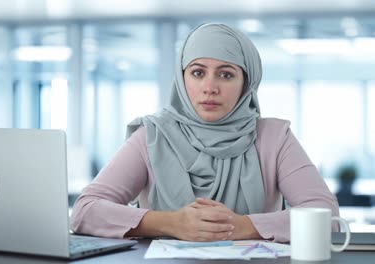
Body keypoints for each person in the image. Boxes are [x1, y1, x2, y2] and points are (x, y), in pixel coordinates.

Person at [70, 23, 339, 243]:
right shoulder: (152, 135)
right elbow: (85, 211)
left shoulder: (274, 137)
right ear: (182, 78)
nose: (210, 87)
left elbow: (326, 215)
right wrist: (173, 223)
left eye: (226, 75)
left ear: (247, 82)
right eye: (198, 73)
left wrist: (240, 226)